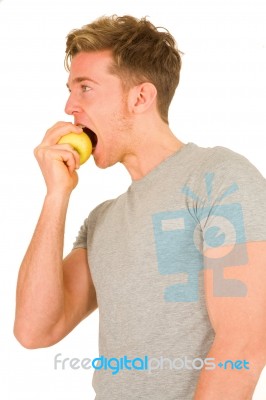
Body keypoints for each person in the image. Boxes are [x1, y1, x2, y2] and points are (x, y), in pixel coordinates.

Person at [14, 15, 266, 399]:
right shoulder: (102, 220)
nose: (69, 106)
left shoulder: (218, 179)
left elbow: (243, 345)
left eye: (85, 88)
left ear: (141, 98)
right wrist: (56, 195)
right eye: (70, 90)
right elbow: (34, 330)